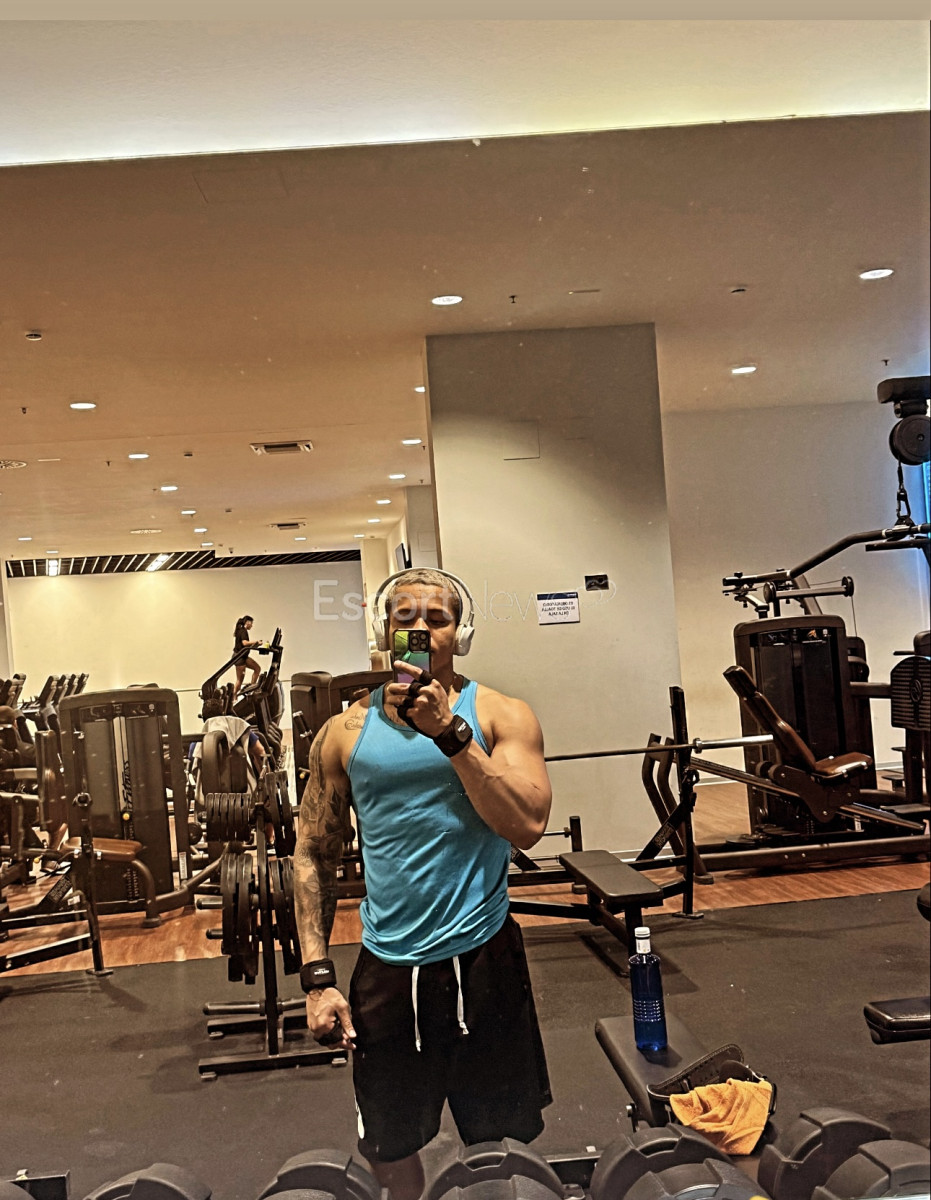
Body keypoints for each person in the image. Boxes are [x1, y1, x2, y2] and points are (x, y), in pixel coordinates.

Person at [293, 567, 553, 1200]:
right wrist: (318, 980)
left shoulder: (500, 714)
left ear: (460, 633)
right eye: (404, 618)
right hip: (389, 967)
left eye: (437, 619)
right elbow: (312, 857)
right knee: (388, 1147)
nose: (420, 630)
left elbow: (527, 826)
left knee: (500, 1145)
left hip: (483, 958)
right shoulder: (344, 733)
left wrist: (450, 734)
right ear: (383, 633)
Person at [232, 614, 262, 698]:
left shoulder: (242, 630)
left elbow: (245, 645)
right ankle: (233, 698)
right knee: (239, 681)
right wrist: (256, 641)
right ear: (247, 622)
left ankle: (252, 688)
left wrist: (256, 645)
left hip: (243, 656)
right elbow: (244, 643)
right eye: (251, 623)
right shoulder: (243, 631)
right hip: (239, 658)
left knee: (257, 668)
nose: (252, 625)